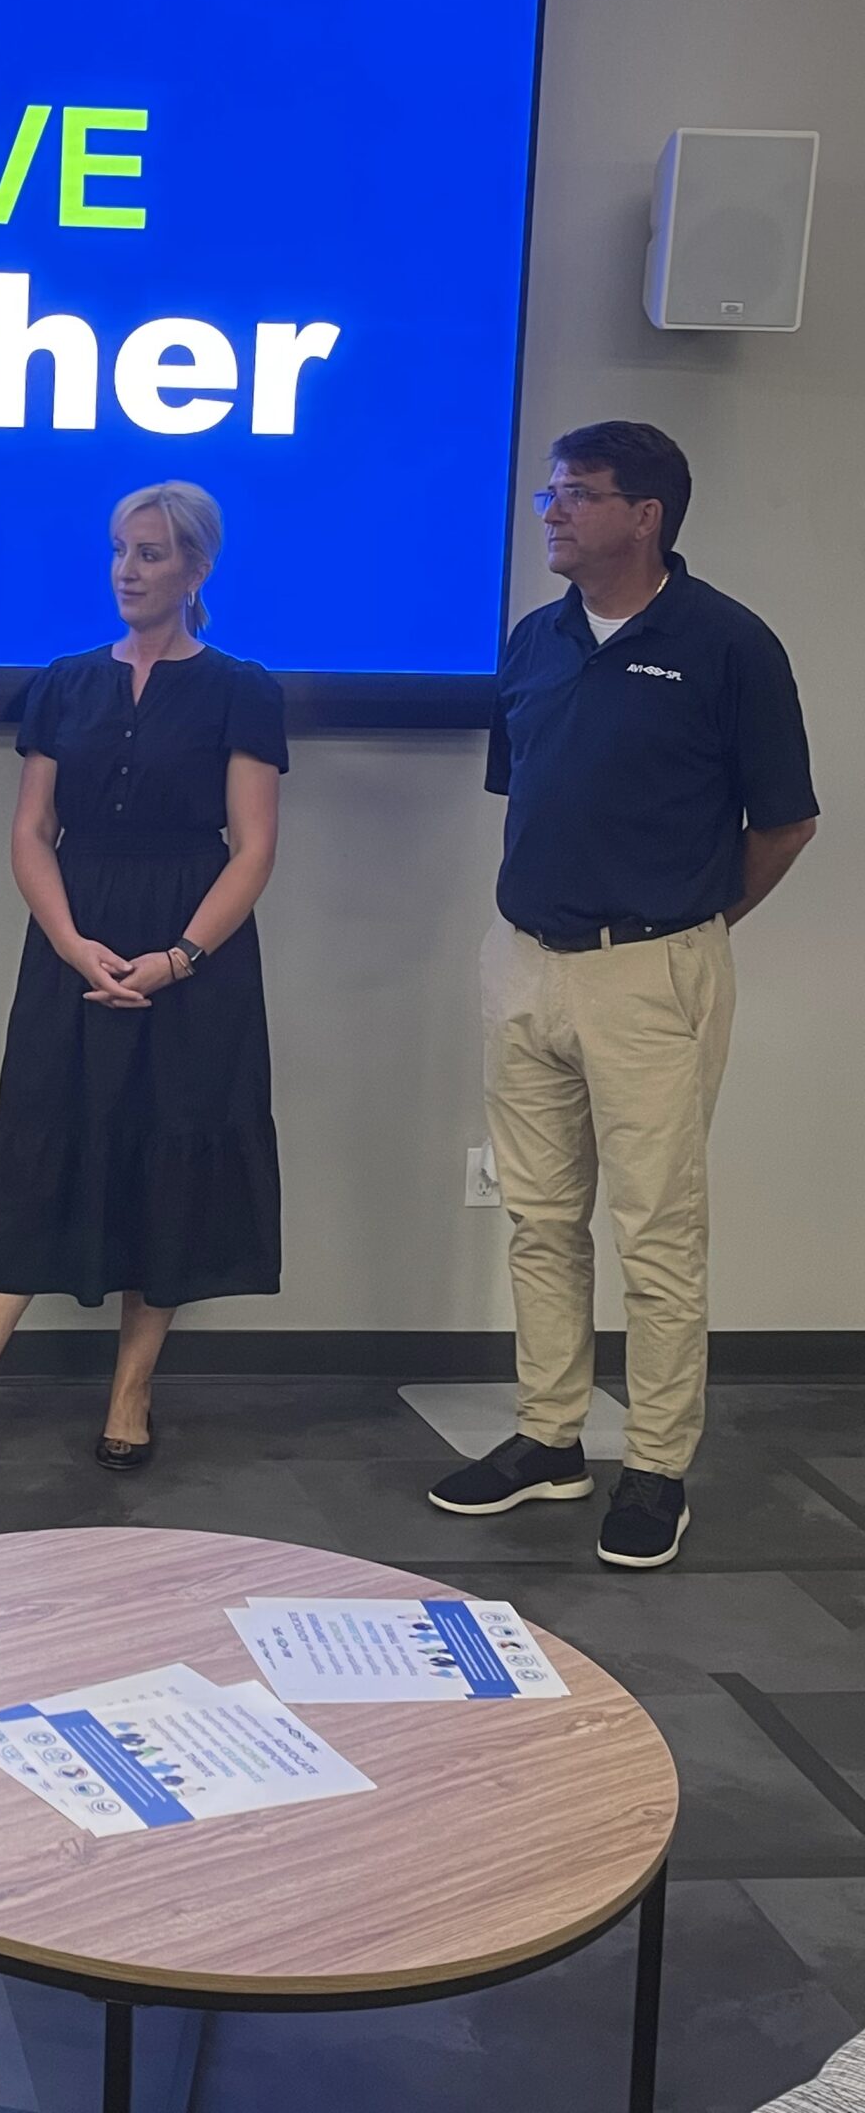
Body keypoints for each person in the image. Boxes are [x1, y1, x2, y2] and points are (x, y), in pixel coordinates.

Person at [430, 423, 817, 1569]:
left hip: (654, 968)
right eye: (550, 495)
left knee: (655, 1231)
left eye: (574, 496)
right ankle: (550, 1436)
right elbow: (528, 788)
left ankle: (654, 1466)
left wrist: (690, 924)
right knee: (542, 1220)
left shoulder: (729, 644)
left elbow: (785, 820)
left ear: (645, 514)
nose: (549, 513)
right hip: (525, 960)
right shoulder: (535, 640)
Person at [0, 480, 286, 1486]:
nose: (128, 571)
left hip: (196, 955)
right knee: (28, 1155)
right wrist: (69, 940)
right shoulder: (63, 682)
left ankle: (131, 1393)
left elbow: (253, 848)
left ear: (196, 569)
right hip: (71, 943)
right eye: (120, 551)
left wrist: (180, 957)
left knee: (168, 1150)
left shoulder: (243, 689)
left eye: (150, 554)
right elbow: (29, 831)